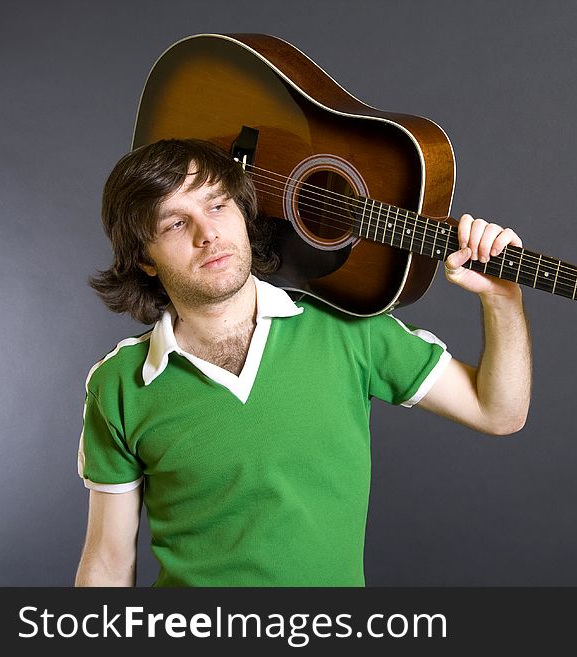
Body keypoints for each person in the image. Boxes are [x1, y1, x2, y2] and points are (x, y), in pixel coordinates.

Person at [75, 139, 531, 586]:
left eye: (217, 206)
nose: (208, 233)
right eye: (176, 223)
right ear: (144, 259)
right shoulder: (119, 383)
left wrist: (501, 298)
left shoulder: (350, 327)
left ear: (242, 212)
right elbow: (108, 563)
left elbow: (497, 412)